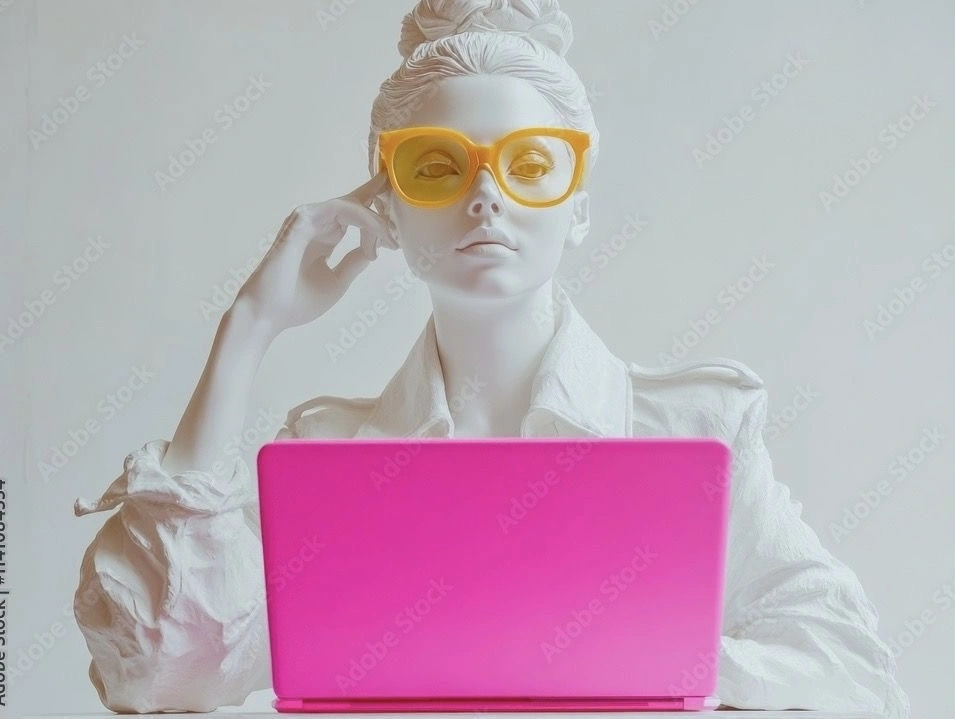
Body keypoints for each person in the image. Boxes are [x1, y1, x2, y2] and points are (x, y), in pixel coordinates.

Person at [72, 0, 911, 715]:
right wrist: (248, 329)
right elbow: (164, 671)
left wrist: (651, 657)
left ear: (578, 206)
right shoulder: (329, 456)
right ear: (387, 206)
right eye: (435, 167)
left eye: (530, 164)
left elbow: (848, 664)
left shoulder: (696, 430)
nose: (485, 196)